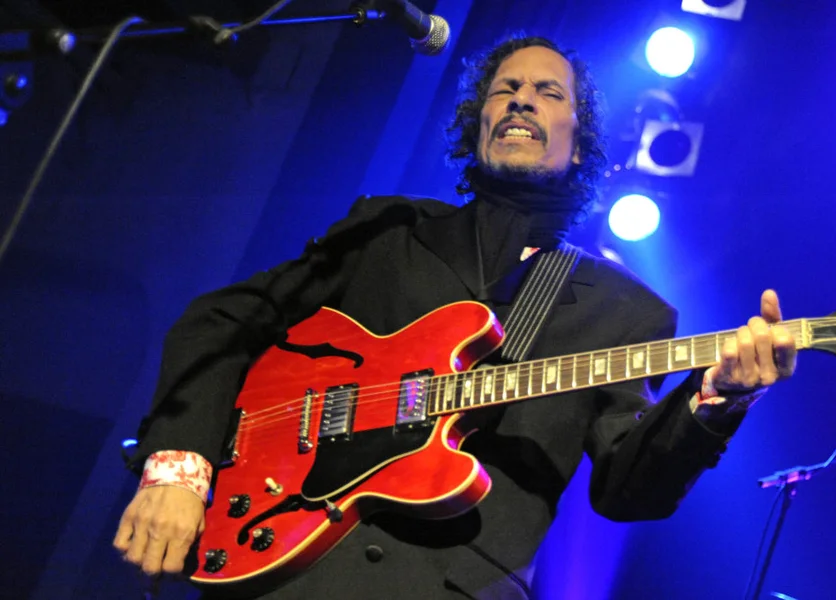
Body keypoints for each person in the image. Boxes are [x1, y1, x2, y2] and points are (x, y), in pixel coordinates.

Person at [113, 34, 796, 599]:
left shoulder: (623, 310)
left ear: (581, 141)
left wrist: (716, 402)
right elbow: (222, 320)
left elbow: (628, 492)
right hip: (285, 564)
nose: (521, 98)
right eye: (505, 89)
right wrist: (178, 470)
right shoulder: (387, 233)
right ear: (477, 125)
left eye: (548, 91)